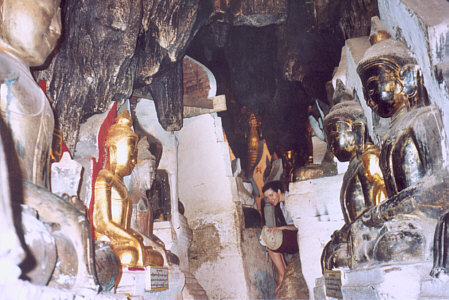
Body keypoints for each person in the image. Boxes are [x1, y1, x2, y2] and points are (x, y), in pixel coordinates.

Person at [262, 180, 298, 294]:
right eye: (267, 197)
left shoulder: (291, 200)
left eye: (271, 195)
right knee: (269, 241)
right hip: (294, 234)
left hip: (302, 236)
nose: (270, 199)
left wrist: (280, 229)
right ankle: (283, 274)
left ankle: (282, 276)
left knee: (272, 241)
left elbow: (299, 227)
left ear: (278, 191)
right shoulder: (281, 204)